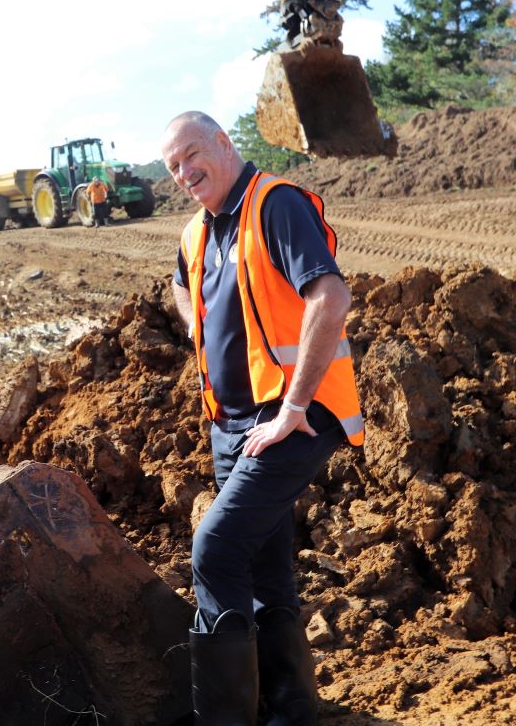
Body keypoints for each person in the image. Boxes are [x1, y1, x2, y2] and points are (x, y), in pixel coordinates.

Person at [161, 113, 364, 725]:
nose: (184, 172)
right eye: (173, 166)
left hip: (293, 419)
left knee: (215, 547)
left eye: (192, 155)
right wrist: (200, 322)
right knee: (262, 567)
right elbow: (177, 285)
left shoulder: (275, 204)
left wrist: (294, 407)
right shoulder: (197, 232)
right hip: (232, 426)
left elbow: (330, 297)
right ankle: (291, 712)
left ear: (224, 143)